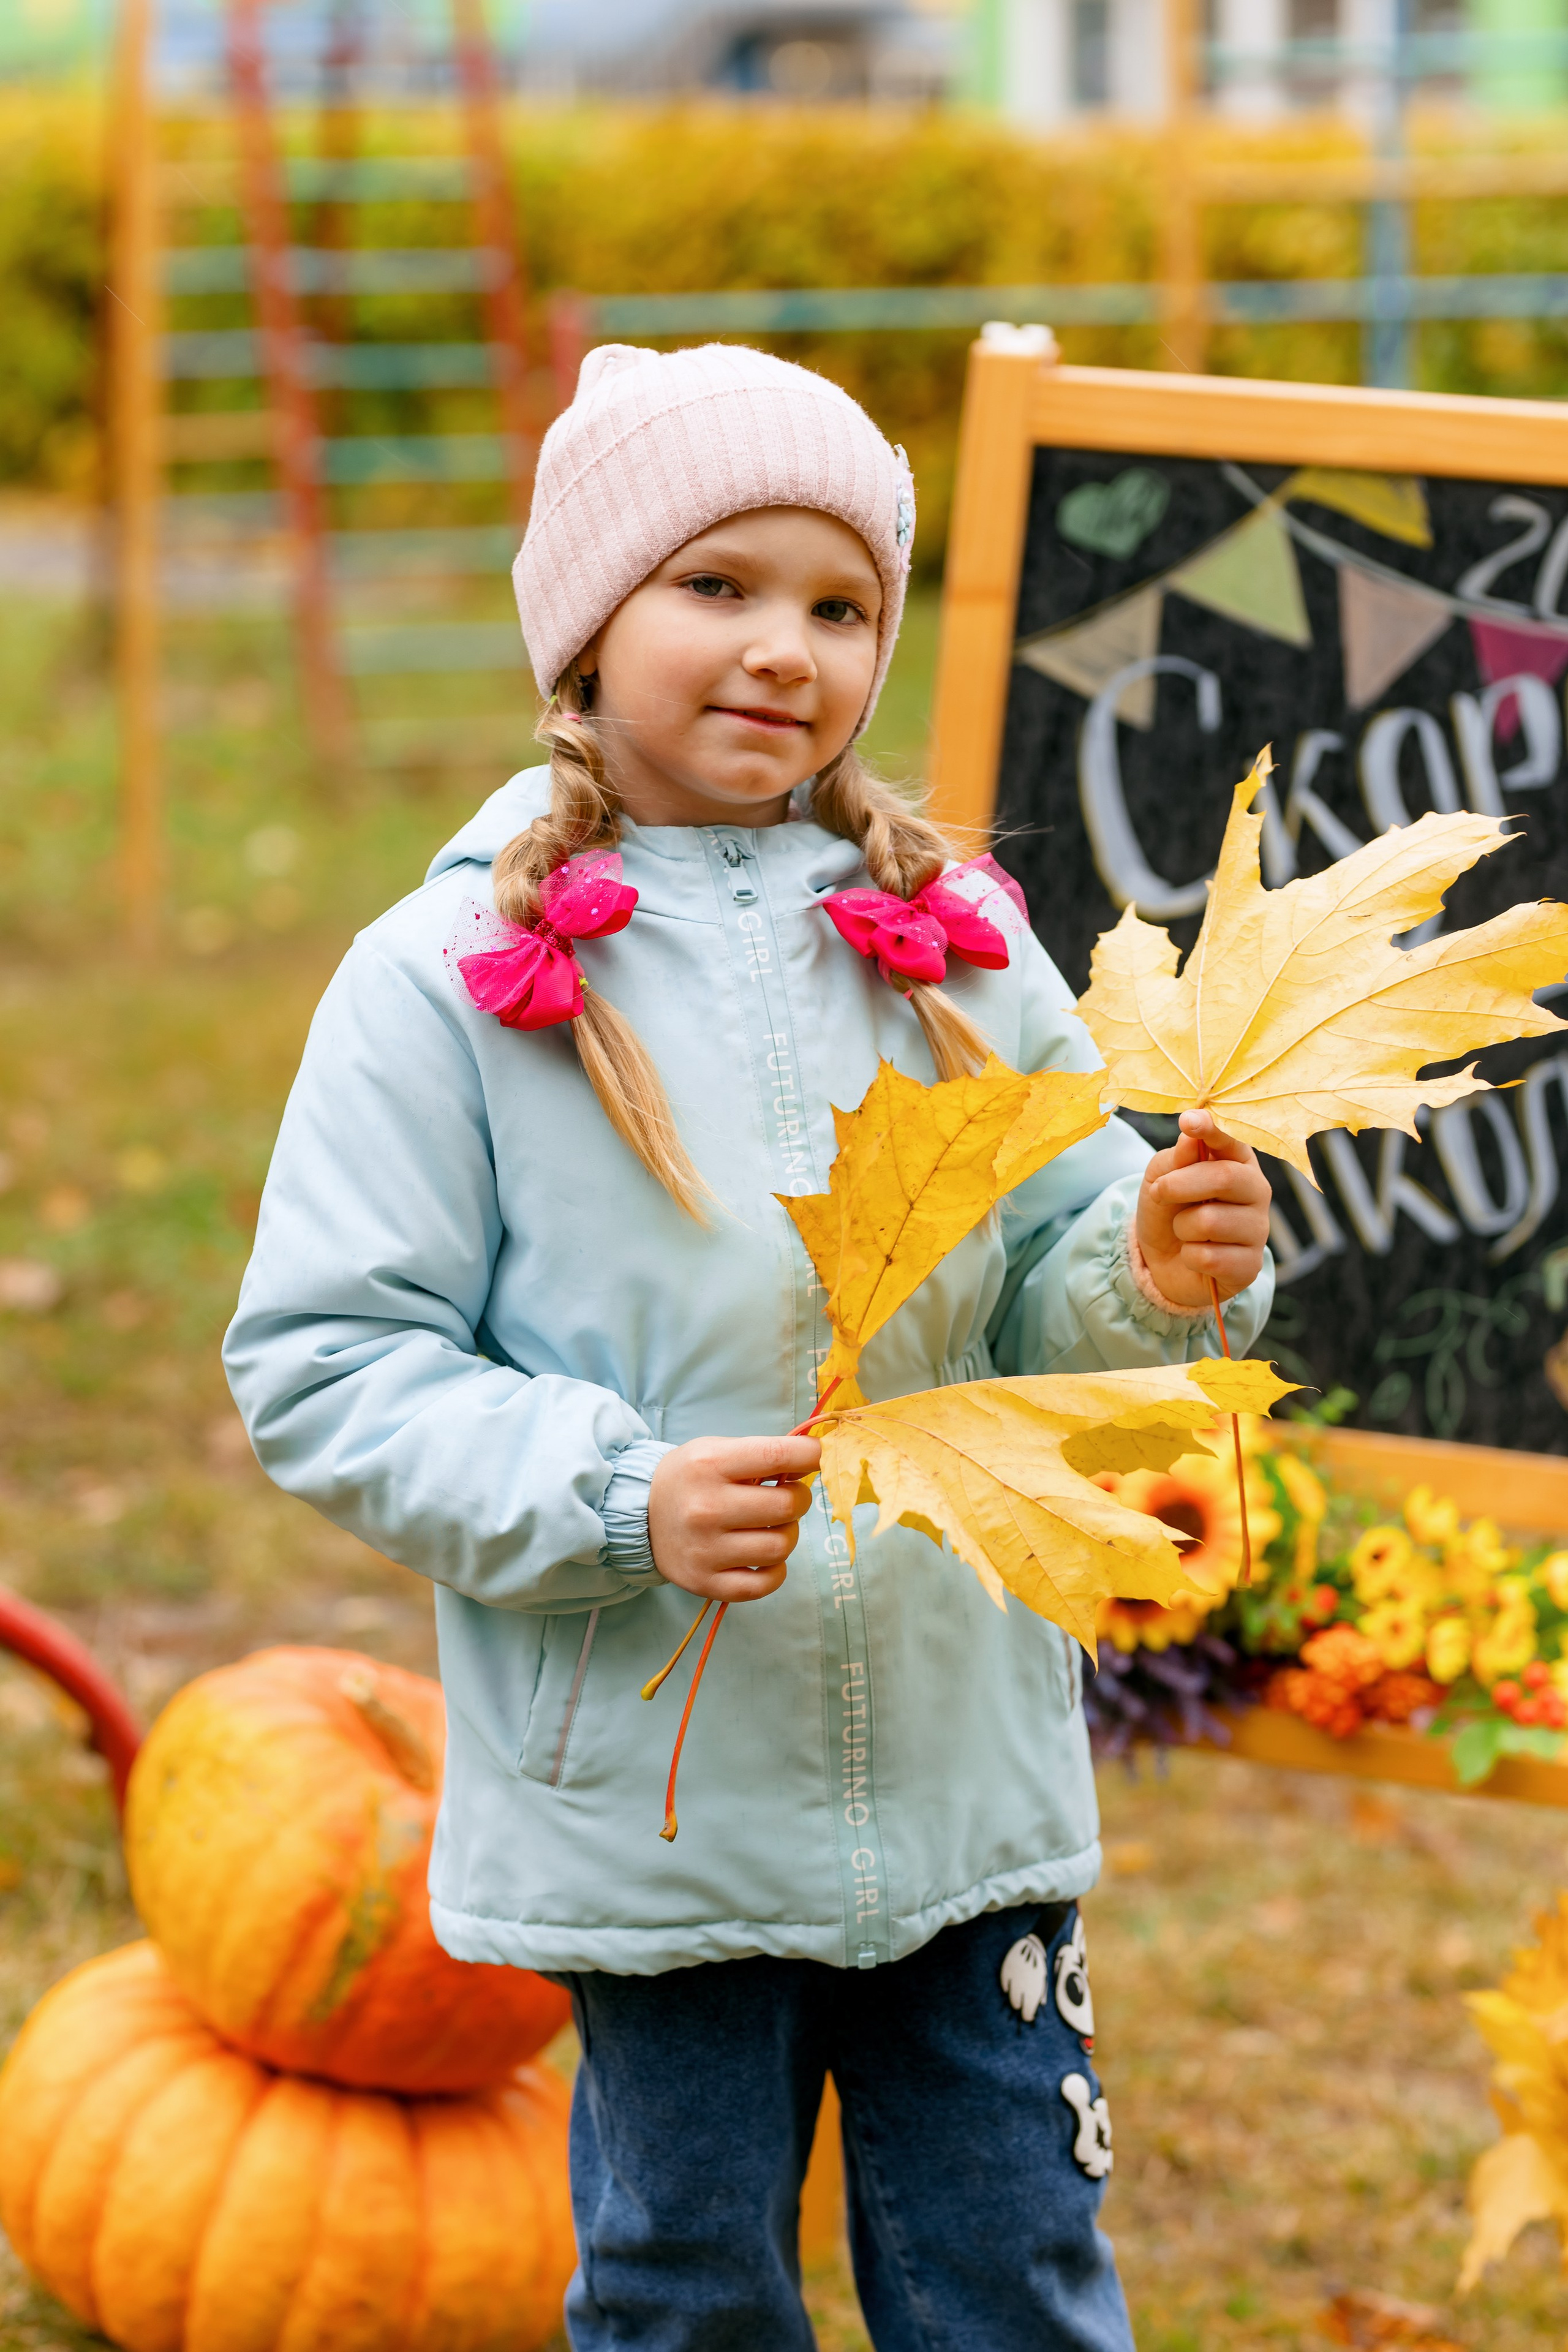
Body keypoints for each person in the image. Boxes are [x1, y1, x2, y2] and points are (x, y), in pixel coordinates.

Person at [225, 342, 1273, 2352]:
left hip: (965, 1775)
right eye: (717, 587)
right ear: (585, 619)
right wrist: (619, 1494)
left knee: (1018, 2276)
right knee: (690, 2284)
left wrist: (1152, 1264)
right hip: (655, 1792)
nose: (784, 648)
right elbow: (332, 1359)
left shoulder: (958, 942)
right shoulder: (445, 980)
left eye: (839, 603)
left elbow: (1052, 1289)